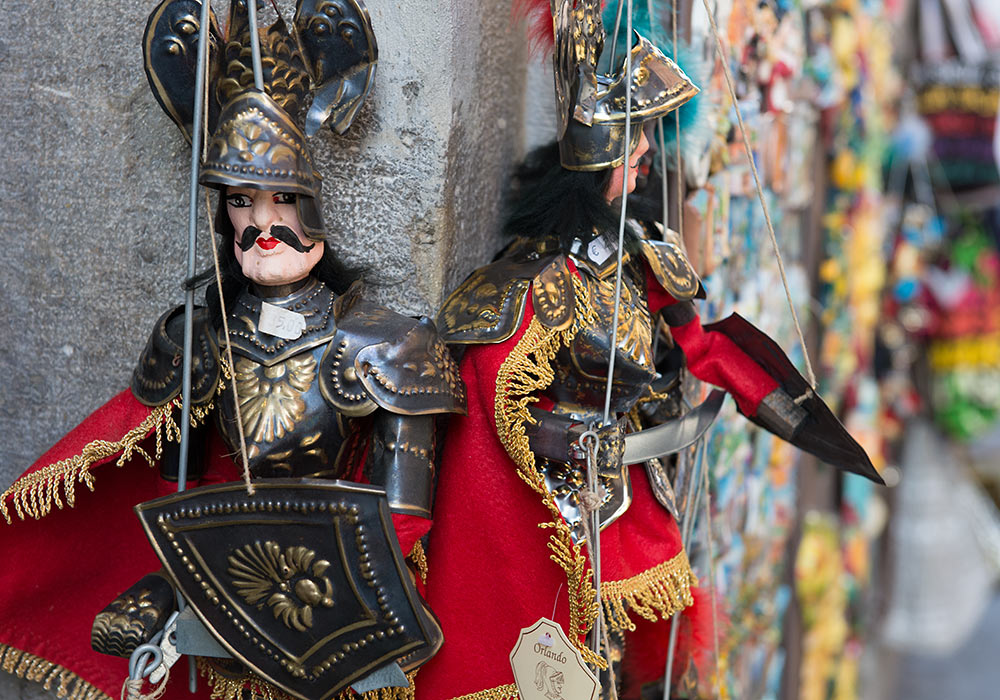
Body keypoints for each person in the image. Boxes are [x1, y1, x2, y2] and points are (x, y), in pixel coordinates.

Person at [0, 2, 463, 699]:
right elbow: (177, 500)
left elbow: (402, 520)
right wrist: (165, 587)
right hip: (218, 629)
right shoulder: (196, 337)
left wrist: (265, 593)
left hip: (347, 624)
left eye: (281, 197)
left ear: (313, 203)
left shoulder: (389, 343)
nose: (263, 224)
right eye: (242, 202)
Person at [415, 16, 881, 700]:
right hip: (567, 513)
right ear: (600, 170)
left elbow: (703, 346)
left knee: (642, 667)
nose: (644, 167)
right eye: (632, 158)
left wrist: (791, 411)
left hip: (643, 489)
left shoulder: (645, 256)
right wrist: (569, 438)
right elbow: (496, 403)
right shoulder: (531, 285)